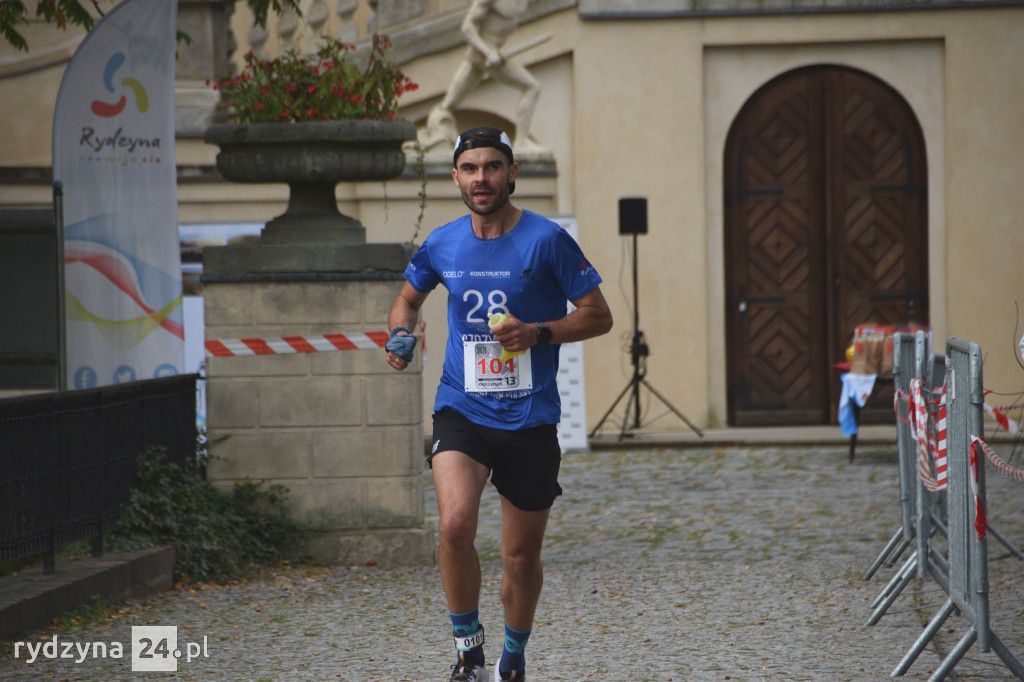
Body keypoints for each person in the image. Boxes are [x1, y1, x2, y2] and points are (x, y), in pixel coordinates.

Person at [385, 127, 612, 681]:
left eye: (491, 167)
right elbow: (407, 300)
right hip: (462, 407)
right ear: (455, 177)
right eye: (469, 168)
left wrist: (537, 333)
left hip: (530, 417)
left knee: (520, 558)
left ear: (512, 173)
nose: (480, 178)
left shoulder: (547, 239)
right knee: (454, 525)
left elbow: (598, 315)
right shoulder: (442, 242)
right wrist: (400, 334)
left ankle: (513, 659)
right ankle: (469, 654)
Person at [419, 0, 544, 154]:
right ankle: (522, 141)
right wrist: (488, 52)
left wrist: (493, 52)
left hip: (491, 55)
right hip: (483, 55)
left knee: (449, 104)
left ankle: (439, 124)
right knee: (532, 87)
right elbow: (467, 27)